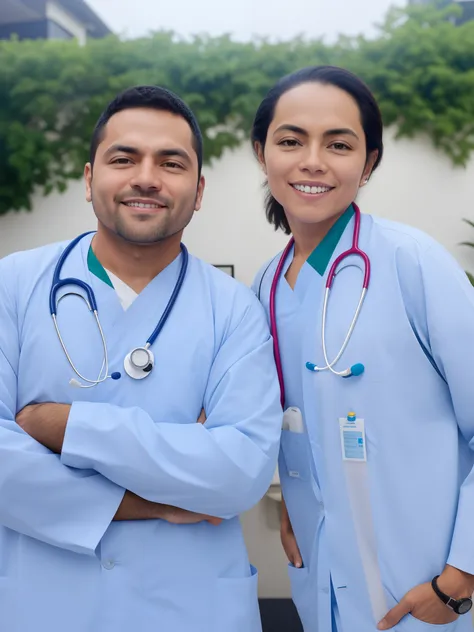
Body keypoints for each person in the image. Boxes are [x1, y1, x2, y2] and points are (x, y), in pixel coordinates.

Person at [0, 85, 282, 632]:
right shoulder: (12, 284)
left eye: (171, 162)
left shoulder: (235, 311)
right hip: (43, 605)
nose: (146, 177)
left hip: (191, 608)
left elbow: (239, 474)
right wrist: (153, 497)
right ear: (89, 180)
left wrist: (65, 425)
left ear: (198, 192)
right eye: (123, 158)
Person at [251, 65, 474, 632]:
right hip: (322, 578)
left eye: (339, 144)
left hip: (428, 593)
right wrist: (300, 511)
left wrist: (459, 580)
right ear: (262, 153)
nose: (313, 161)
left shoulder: (411, 263)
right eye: (291, 140)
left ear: (368, 162)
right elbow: (295, 424)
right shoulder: (265, 287)